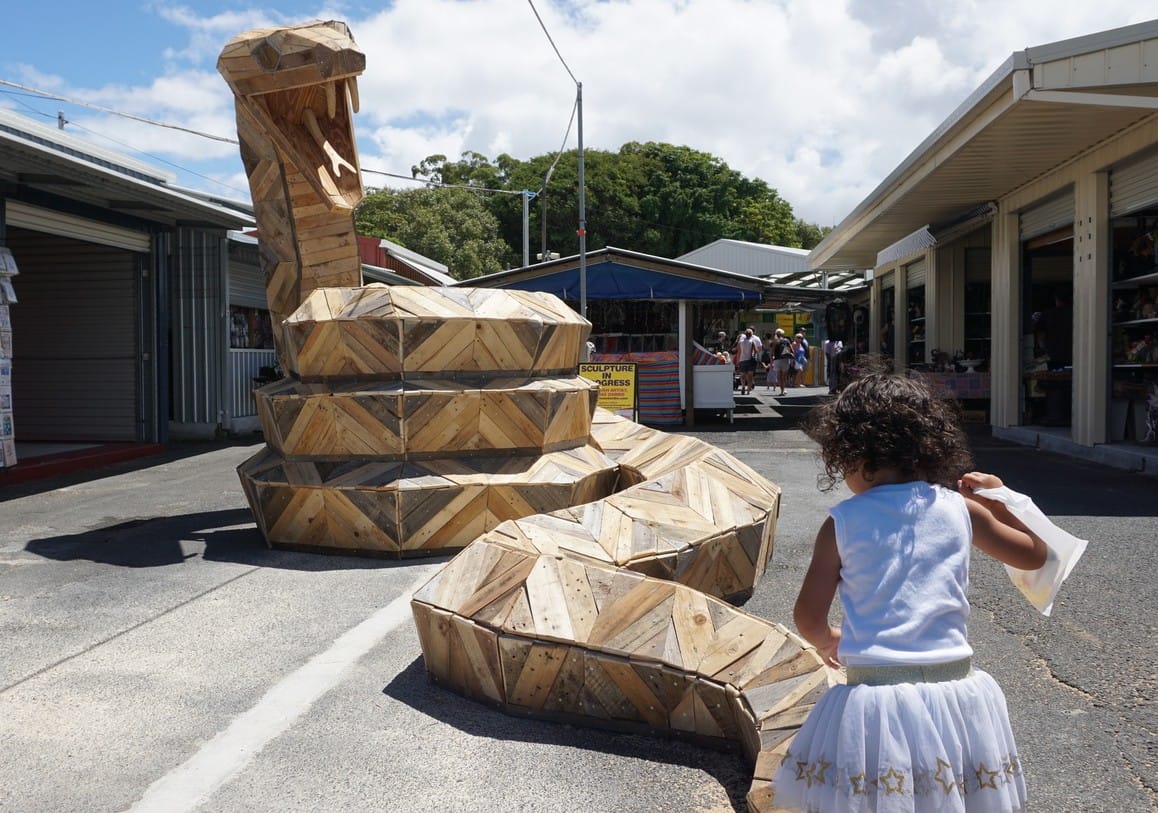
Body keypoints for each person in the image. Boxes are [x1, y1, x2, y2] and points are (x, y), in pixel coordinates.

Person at [770, 372, 1047, 812]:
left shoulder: (843, 521)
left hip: (876, 699)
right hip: (955, 690)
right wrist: (1002, 502)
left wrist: (829, 639)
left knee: (881, 797)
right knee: (950, 793)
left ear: (852, 454)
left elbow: (808, 615)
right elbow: (1034, 554)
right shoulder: (961, 509)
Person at [733, 327, 761, 395]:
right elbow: (756, 351)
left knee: (742, 375)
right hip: (750, 361)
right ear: (751, 334)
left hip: (742, 360)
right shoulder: (752, 342)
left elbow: (738, 352)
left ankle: (743, 386)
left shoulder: (740, 342)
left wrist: (737, 361)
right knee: (750, 377)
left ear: (745, 334)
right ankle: (748, 390)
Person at [771, 328, 793, 396]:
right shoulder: (786, 341)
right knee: (784, 376)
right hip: (785, 359)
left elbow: (772, 352)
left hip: (777, 360)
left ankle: (781, 390)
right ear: (783, 334)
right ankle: (784, 389)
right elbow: (792, 350)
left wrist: (771, 361)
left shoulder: (775, 341)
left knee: (779, 376)